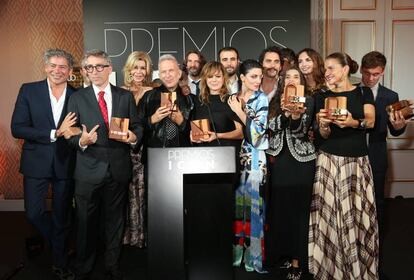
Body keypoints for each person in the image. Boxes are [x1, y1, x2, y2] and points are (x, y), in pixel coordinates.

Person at [67, 49, 142, 280]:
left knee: (115, 221)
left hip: (118, 169)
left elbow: (138, 126)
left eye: (99, 66)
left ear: (109, 68)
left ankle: (112, 264)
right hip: (88, 170)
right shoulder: (77, 97)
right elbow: (68, 131)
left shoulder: (124, 96)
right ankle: (84, 265)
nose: (94, 71)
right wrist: (81, 139)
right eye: (89, 67)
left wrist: (132, 137)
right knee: (85, 222)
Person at [309, 52, 378, 280]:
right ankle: (330, 269)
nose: (327, 72)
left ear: (346, 69)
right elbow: (323, 134)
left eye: (331, 68)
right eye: (325, 69)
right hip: (328, 161)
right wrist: (325, 126)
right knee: (329, 216)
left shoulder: (362, 92)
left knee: (357, 216)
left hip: (356, 163)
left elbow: (371, 121)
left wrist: (352, 122)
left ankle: (358, 268)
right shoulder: (322, 96)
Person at [11, 48, 77, 280]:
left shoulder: (78, 95)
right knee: (33, 213)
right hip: (35, 162)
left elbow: (82, 129)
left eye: (62, 67)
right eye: (53, 65)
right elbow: (17, 128)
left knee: (62, 214)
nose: (57, 70)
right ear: (45, 67)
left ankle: (60, 262)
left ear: (70, 71)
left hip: (66, 162)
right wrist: (54, 133)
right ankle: (61, 242)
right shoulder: (29, 90)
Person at [360, 51, 409, 279]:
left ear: (382, 72)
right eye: (367, 74)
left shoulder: (391, 96)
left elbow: (395, 129)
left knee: (378, 199)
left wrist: (399, 125)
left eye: (376, 75)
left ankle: (375, 245)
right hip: (352, 154)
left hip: (377, 154)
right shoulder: (353, 91)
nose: (371, 79)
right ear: (361, 70)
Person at [266, 66, 316, 280]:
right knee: (281, 210)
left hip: (302, 162)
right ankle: (284, 254)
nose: (292, 79)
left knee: (299, 212)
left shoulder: (309, 100)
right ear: (282, 81)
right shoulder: (274, 101)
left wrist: (295, 116)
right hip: (279, 161)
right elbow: (270, 127)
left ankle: (298, 260)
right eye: (288, 77)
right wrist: (286, 113)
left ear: (302, 81)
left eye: (296, 76)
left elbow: (301, 130)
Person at [228, 59, 269, 273]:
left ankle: (253, 257)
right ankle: (236, 254)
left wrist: (241, 111)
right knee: (236, 207)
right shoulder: (231, 97)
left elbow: (257, 134)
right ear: (242, 77)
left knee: (254, 207)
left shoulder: (261, 99)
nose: (258, 80)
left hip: (255, 160)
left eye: (260, 76)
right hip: (233, 158)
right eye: (254, 76)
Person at [121, 51, 155, 248]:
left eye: (143, 67)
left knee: (141, 195)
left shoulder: (153, 92)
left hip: (143, 152)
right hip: (122, 151)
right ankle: (126, 235)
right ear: (129, 69)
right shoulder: (119, 92)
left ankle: (141, 236)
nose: (139, 71)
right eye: (136, 67)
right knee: (124, 195)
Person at [138, 54, 193, 148]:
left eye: (171, 70)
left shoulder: (191, 100)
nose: (168, 75)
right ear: (159, 75)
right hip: (154, 155)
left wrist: (182, 123)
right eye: (163, 72)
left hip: (184, 156)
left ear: (179, 73)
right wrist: (152, 119)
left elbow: (199, 134)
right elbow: (136, 127)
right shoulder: (148, 97)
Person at [190, 61, 243, 148]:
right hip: (202, 155)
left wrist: (217, 135)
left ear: (223, 78)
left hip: (225, 154)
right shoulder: (197, 102)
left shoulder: (232, 100)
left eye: (218, 76)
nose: (214, 80)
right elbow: (193, 130)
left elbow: (241, 133)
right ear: (205, 79)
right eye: (210, 77)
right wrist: (192, 137)